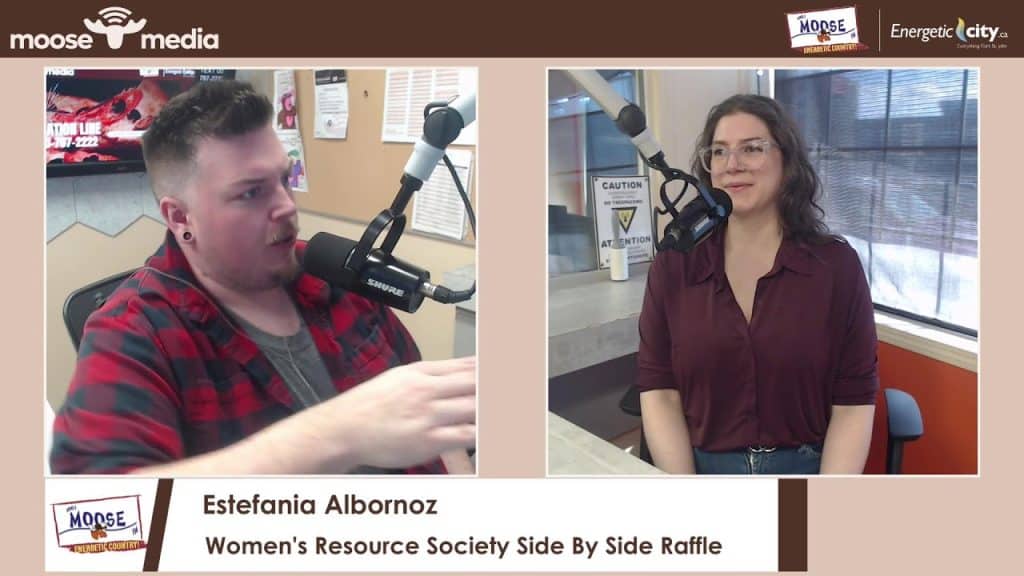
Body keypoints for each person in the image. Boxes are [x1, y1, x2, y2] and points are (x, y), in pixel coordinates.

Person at [50, 80, 475, 475]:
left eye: (284, 180)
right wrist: (337, 435)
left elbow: (440, 432)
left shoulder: (333, 272)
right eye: (251, 192)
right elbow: (90, 524)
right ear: (181, 218)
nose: (287, 207)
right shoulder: (133, 332)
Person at [636, 94, 878, 475]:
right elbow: (659, 392)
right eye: (718, 152)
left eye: (752, 148)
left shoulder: (836, 267)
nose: (732, 165)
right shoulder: (674, 267)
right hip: (701, 471)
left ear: (787, 161)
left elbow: (853, 403)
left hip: (806, 470)